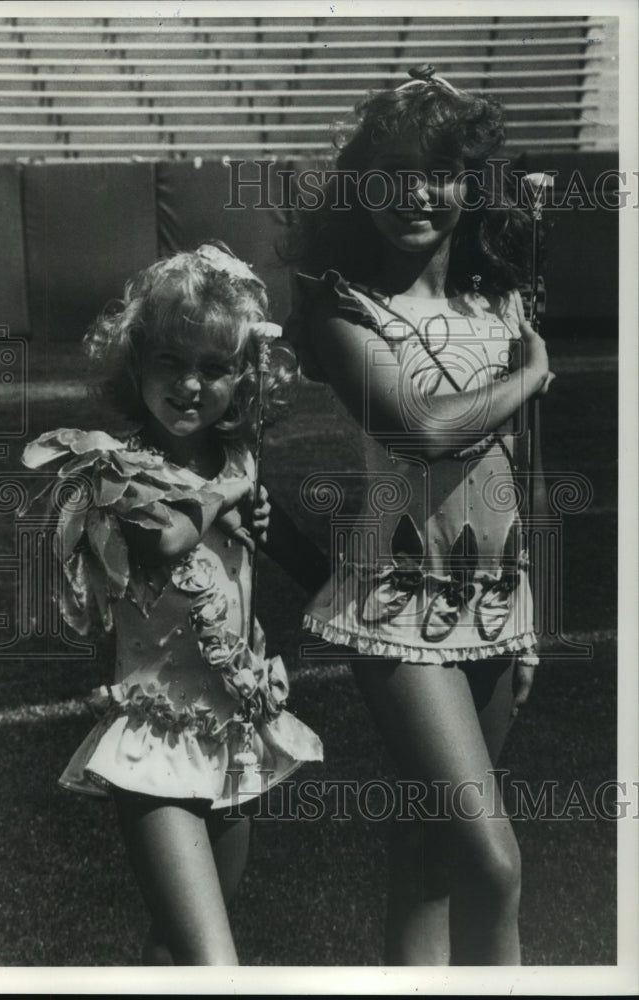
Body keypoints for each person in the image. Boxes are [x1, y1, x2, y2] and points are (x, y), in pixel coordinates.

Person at [284, 67, 555, 965]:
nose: (412, 193)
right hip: (394, 606)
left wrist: (527, 622)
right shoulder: (339, 304)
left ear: (469, 183)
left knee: (429, 859)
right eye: (389, 171)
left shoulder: (497, 297)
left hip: (493, 601)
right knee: (493, 859)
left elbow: (518, 473)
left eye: (436, 171)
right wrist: (527, 376)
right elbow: (419, 432)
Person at [23, 242, 324, 965]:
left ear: (244, 377)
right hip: (154, 738)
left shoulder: (239, 461)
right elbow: (163, 542)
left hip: (231, 731)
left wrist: (263, 520)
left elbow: (312, 567)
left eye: (215, 368)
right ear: (135, 363)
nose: (191, 386)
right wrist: (226, 497)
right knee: (216, 963)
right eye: (171, 362)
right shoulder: (115, 465)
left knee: (178, 944)